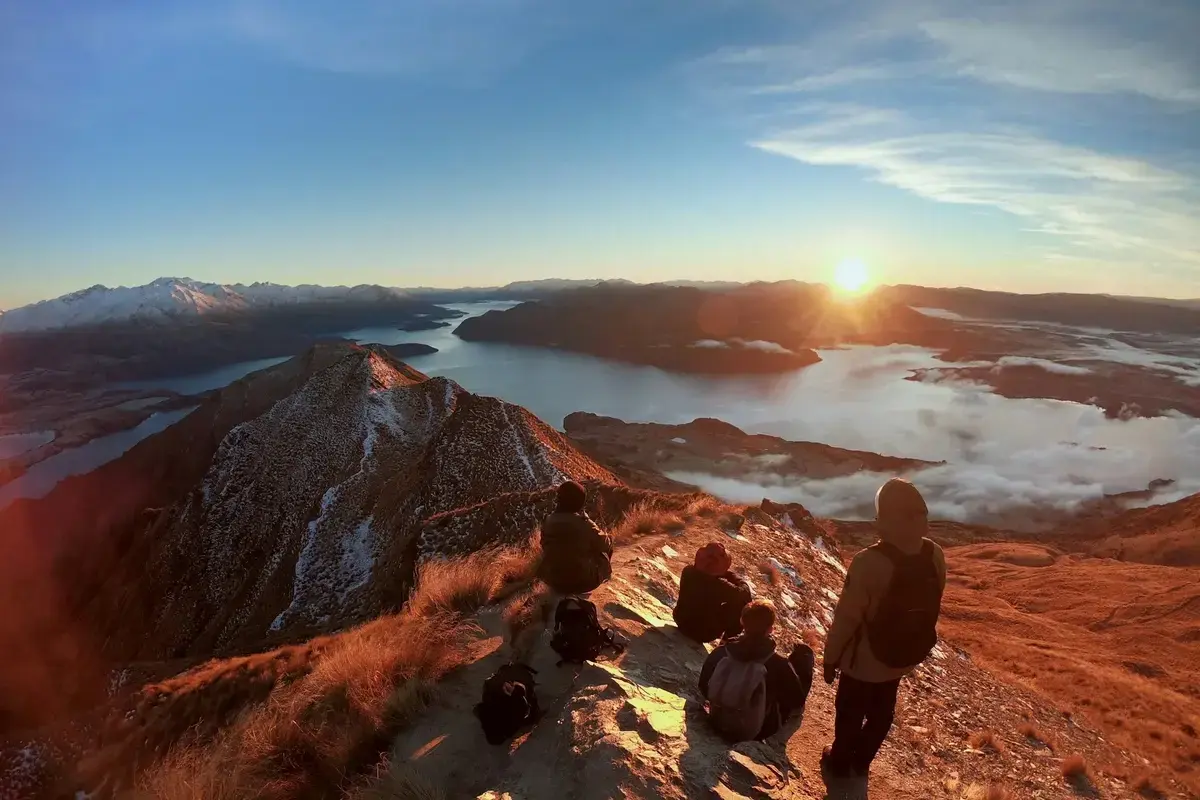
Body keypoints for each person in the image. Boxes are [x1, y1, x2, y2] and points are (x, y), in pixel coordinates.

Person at [821, 478, 947, 780]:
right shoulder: (934, 554)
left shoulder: (868, 561)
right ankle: (862, 760)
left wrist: (831, 657)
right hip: (903, 654)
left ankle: (839, 761)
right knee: (882, 711)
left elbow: (848, 617)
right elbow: (935, 597)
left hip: (864, 660)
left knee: (850, 711)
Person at [699, 599, 813, 741]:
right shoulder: (778, 664)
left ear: (742, 621)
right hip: (757, 730)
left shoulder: (722, 652)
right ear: (770, 629)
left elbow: (703, 684)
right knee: (803, 655)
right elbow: (796, 701)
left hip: (716, 718)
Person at [535, 481, 613, 596]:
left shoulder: (548, 521)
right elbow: (605, 544)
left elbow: (544, 545)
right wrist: (588, 521)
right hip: (581, 583)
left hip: (553, 582)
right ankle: (605, 577)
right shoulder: (584, 524)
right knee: (603, 548)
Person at [674, 542, 753, 643]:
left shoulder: (688, 571)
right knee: (741, 605)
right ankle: (726, 644)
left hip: (680, 620)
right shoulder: (719, 585)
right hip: (701, 633)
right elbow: (744, 592)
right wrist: (729, 575)